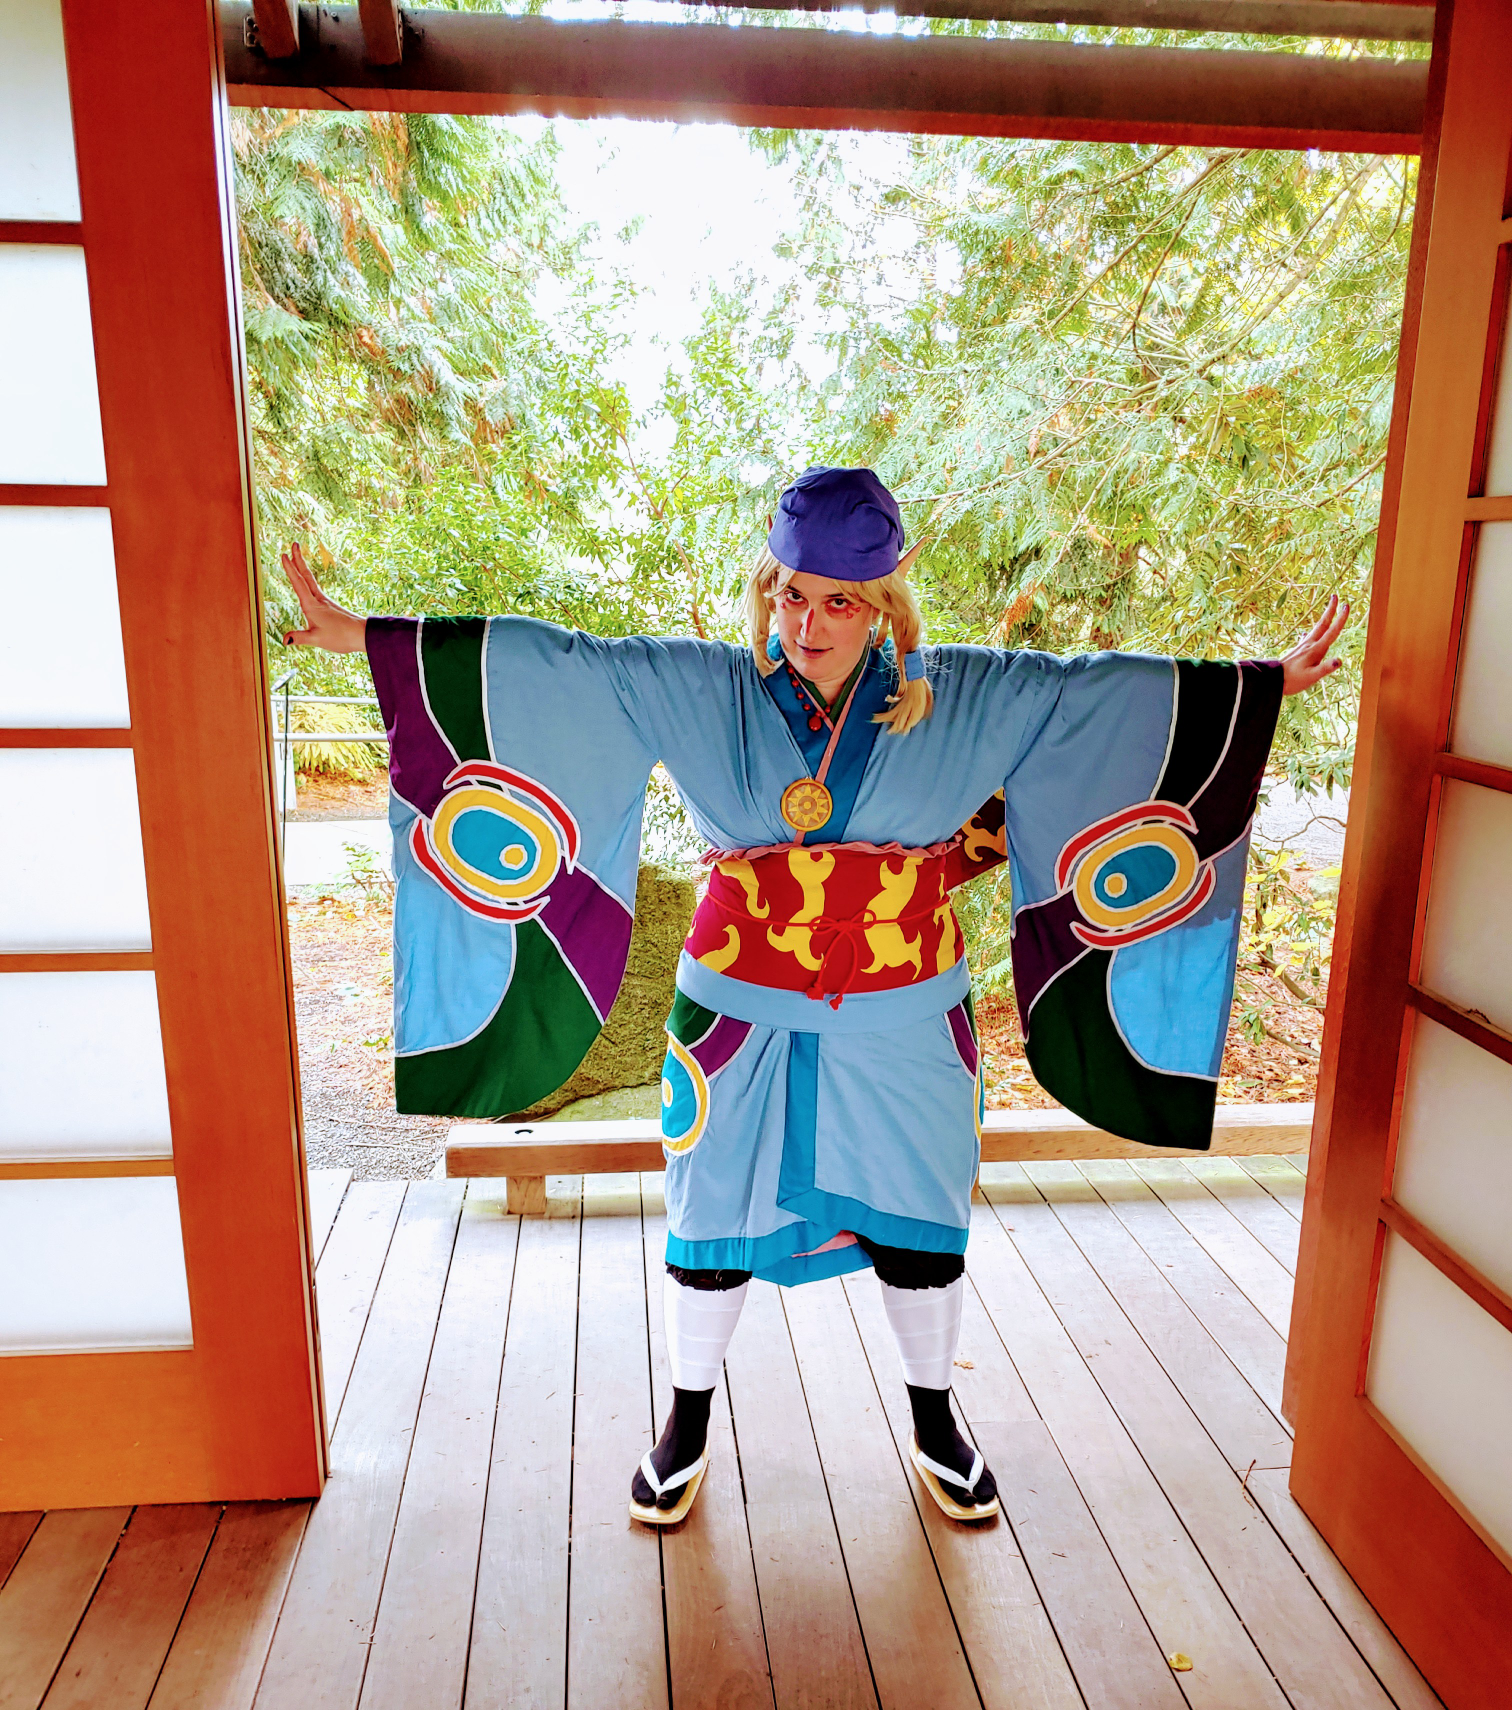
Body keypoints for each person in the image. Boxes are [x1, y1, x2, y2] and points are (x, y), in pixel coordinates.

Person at [280, 465, 1347, 1530]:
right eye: (792, 594)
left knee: (924, 1209)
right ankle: (685, 1422)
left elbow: (1094, 692)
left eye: (840, 601)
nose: (808, 623)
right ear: (768, 589)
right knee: (711, 1208)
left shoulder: (962, 692)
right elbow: (563, 665)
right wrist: (365, 637)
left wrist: (1255, 688)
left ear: (883, 606)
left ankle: (935, 1418)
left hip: (905, 1005)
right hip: (736, 1001)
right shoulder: (706, 686)